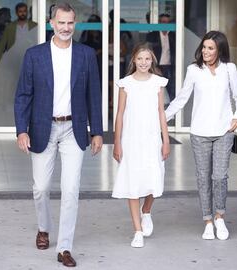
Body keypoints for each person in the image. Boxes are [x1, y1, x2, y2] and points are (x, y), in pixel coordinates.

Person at [14, 2, 103, 267]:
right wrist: (21, 130)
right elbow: (23, 95)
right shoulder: (35, 55)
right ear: (52, 23)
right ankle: (44, 227)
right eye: (61, 22)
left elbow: (93, 96)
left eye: (70, 23)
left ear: (75, 24)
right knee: (40, 188)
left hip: (73, 130)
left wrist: (96, 132)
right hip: (43, 128)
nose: (66, 28)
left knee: (71, 189)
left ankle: (64, 247)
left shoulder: (86, 54)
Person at [165, 31, 237, 240]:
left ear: (220, 50)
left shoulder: (229, 69)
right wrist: (162, 118)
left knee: (219, 176)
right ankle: (208, 221)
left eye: (211, 48)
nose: (206, 51)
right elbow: (182, 98)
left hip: (223, 131)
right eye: (204, 47)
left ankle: (220, 216)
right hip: (199, 133)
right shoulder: (194, 70)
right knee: (203, 178)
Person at [112, 43, 170, 248]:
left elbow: (161, 112)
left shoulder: (158, 83)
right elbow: (119, 114)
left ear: (152, 60)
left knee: (155, 179)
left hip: (152, 138)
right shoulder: (125, 83)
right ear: (133, 60)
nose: (144, 62)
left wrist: (166, 140)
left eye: (147, 59)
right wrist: (117, 143)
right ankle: (137, 230)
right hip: (131, 139)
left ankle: (147, 210)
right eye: (140, 59)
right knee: (133, 182)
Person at [147, 13, 176, 101]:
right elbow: (148, 52)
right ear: (159, 23)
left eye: (167, 22)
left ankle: (171, 111)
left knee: (171, 89)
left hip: (169, 66)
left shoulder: (173, 36)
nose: (165, 24)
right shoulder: (152, 35)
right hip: (156, 66)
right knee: (155, 89)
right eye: (163, 22)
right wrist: (153, 66)